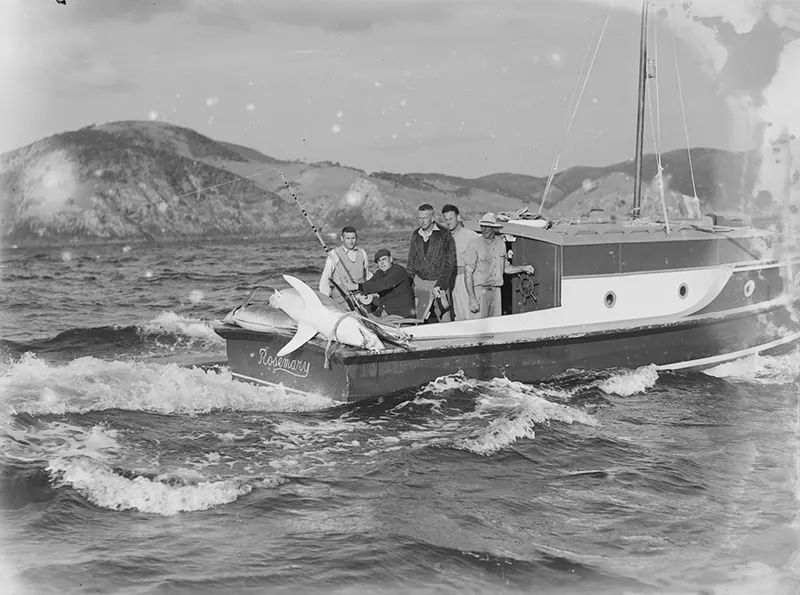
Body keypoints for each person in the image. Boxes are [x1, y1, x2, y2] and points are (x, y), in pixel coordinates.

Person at [464, 212, 534, 318]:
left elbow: (505, 268)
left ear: (493, 228)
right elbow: (468, 273)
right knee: (479, 326)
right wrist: (471, 298)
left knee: (495, 324)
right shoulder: (474, 245)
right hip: (480, 292)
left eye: (487, 226)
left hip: (496, 292)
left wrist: (523, 268)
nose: (484, 229)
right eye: (482, 226)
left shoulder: (501, 244)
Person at [406, 204, 456, 322]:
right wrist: (408, 282)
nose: (422, 221)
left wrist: (440, 285)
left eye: (425, 218)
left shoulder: (444, 234)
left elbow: (449, 264)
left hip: (438, 283)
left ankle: (448, 338)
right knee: (418, 316)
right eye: (419, 218)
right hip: (419, 282)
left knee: (444, 315)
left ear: (432, 218)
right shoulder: (415, 234)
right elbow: (411, 261)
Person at [345, 249, 415, 319]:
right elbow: (369, 284)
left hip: (400, 314)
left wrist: (357, 286)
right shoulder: (379, 273)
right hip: (384, 312)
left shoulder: (399, 270)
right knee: (356, 317)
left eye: (384, 259)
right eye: (379, 261)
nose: (381, 263)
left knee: (367, 323)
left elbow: (384, 284)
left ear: (391, 259)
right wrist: (357, 292)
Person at [318, 225, 371, 311]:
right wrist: (325, 301)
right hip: (342, 300)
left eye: (353, 238)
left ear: (356, 238)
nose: (351, 241)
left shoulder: (362, 253)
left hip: (361, 298)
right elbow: (325, 280)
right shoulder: (334, 254)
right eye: (348, 238)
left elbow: (367, 276)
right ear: (342, 238)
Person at [441, 204, 477, 321]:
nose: (448, 222)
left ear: (458, 217)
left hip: (464, 279)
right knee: (455, 316)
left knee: (467, 314)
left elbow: (485, 249)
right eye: (446, 220)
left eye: (451, 219)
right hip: (448, 281)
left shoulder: (470, 235)